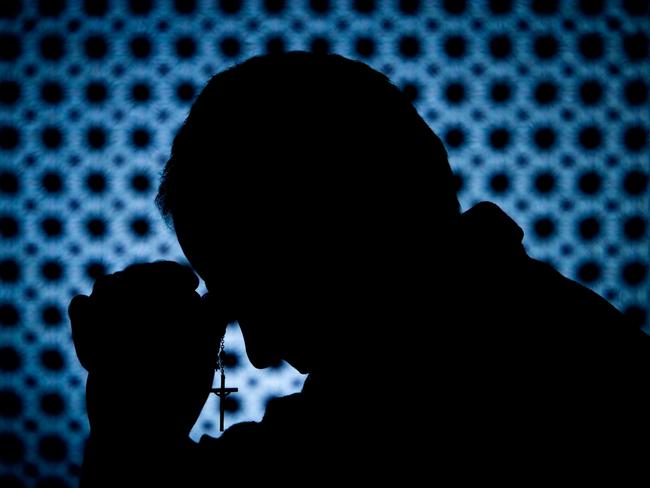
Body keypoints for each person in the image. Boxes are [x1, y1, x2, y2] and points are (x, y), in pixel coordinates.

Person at [69, 52, 648, 486]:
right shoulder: (559, 331)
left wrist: (131, 427)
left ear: (339, 227)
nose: (262, 351)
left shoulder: (380, 425)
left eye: (259, 290)